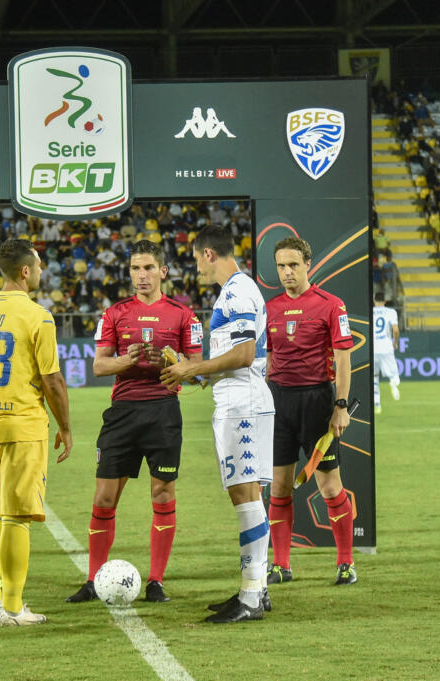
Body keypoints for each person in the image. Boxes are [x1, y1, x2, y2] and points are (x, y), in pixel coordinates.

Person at [65, 239, 202, 604]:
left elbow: (197, 370)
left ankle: (156, 580)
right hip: (122, 413)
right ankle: (94, 580)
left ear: (163, 271)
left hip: (163, 413)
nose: (141, 275)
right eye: (135, 269)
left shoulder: (183, 315)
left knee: (162, 493)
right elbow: (99, 365)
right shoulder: (114, 314)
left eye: (148, 268)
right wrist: (127, 361)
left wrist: (171, 363)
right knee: (105, 496)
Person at [160, 226, 273, 623]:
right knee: (247, 495)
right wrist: (194, 372)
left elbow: (243, 355)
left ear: (209, 254)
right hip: (238, 396)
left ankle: (252, 596)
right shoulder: (236, 292)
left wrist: (196, 366)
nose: (196, 268)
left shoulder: (237, 291)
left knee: (246, 496)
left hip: (242, 401)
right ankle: (254, 588)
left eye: (195, 259)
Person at [0, 238, 72, 627]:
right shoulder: (37, 316)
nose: (40, 272)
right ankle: (13, 606)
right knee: (16, 518)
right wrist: (66, 428)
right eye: (38, 266)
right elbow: (52, 380)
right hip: (22, 425)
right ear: (25, 271)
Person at [264, 236, 358, 587]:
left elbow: (344, 361)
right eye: (280, 266)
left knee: (330, 487)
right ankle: (281, 565)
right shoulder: (269, 309)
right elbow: (269, 359)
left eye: (293, 265)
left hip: (317, 403)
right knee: (279, 487)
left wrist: (341, 406)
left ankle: (346, 563)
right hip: (278, 404)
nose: (286, 272)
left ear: (307, 265)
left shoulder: (331, 305)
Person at [372, 292, 401, 414]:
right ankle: (393, 384)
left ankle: (377, 404)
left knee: (374, 377)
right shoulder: (391, 312)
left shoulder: (369, 312)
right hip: (386, 347)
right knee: (393, 373)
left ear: (374, 301)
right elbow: (395, 330)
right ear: (385, 301)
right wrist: (395, 342)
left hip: (373, 349)